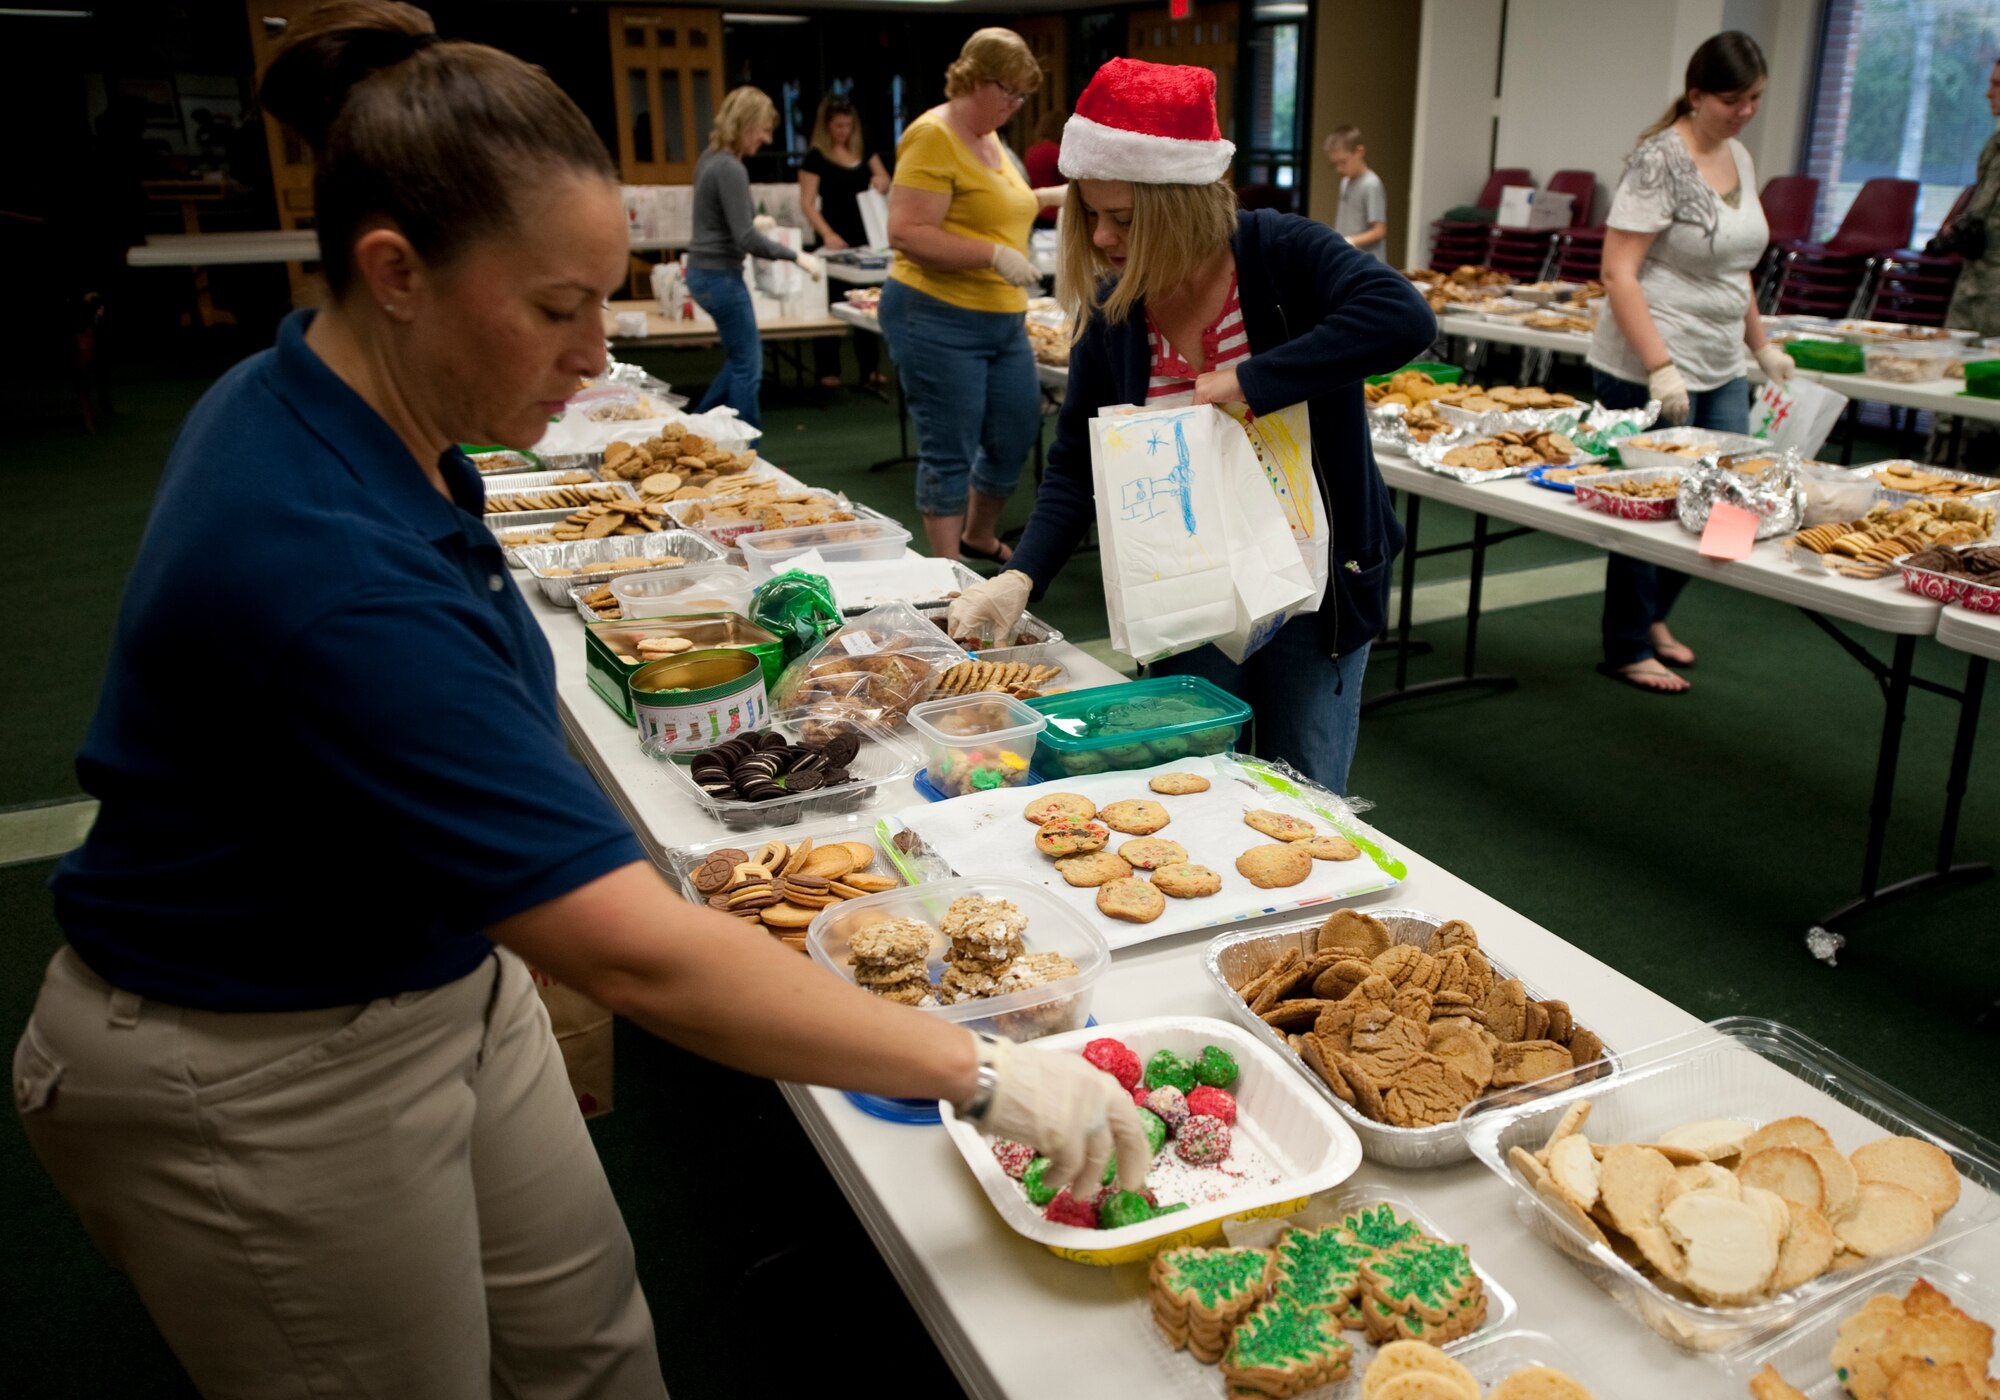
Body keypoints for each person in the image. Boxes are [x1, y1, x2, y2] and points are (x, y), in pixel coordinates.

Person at [12, 7, 1146, 1396]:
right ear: (397, 273)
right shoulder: (323, 566)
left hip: (427, 969)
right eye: (557, 308)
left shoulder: (359, 409)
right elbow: (638, 954)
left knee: (591, 1350)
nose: (598, 353)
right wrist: (972, 1069)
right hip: (251, 1049)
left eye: (605, 301)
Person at [948, 58, 1435, 795]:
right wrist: (1022, 574)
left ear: (1184, 206)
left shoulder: (1280, 255)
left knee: (1305, 788)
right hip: (1184, 587)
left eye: (1127, 219)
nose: (1105, 238)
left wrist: (1251, 379)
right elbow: (1079, 462)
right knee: (1190, 783)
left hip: (1314, 583)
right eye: (1091, 215)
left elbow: (1403, 317)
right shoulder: (1117, 310)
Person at [1586, 31, 1791, 696]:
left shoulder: (1740, 156)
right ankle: (1623, 644)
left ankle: (1654, 617)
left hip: (1721, 355)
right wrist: (1659, 368)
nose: (1745, 112)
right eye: (1733, 100)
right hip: (1649, 354)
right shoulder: (1660, 161)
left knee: (1728, 500)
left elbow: (1738, 267)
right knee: (1647, 504)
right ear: (1697, 94)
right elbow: (1618, 272)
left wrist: (1759, 344)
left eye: (1756, 98)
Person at [880, 27, 1066, 563]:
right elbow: (907, 232)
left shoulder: (991, 139)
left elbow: (994, 203)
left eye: (1022, 95)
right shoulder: (933, 135)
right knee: (950, 444)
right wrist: (992, 254)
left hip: (1002, 319)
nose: (1015, 104)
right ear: (976, 80)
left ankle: (978, 535)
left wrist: (1051, 197)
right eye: (1009, 91)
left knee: (1015, 430)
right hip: (937, 314)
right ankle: (948, 572)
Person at [687, 85, 823, 429]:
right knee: (749, 367)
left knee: (739, 361)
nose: (766, 138)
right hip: (721, 278)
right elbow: (745, 237)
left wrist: (753, 222)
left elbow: (721, 219)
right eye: (762, 128)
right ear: (745, 124)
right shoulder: (731, 168)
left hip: (702, 273)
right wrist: (795, 256)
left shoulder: (709, 158)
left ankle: (694, 429)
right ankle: (748, 448)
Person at [1931, 58, 2000, 473]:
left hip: (1993, 292)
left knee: (1983, 408)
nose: (1988, 92)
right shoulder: (1993, 145)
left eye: (1996, 84)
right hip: (1978, 283)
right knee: (1955, 392)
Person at [800, 93, 891, 389]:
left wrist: (880, 182)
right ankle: (828, 369)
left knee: (867, 302)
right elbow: (807, 202)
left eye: (848, 126)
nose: (843, 131)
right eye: (838, 126)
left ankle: (869, 368)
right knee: (831, 303)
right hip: (834, 238)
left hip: (865, 238)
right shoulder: (815, 157)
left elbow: (885, 179)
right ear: (827, 127)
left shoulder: (864, 151)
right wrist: (826, 233)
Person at [1324, 126, 1388, 262]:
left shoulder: (1371, 184)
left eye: (1343, 162)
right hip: (1348, 259)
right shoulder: (1345, 182)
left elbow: (1379, 231)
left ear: (1359, 151)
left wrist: (1349, 240)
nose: (1339, 169)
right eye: (1335, 164)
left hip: (1368, 263)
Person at [1024, 108, 1066, 227]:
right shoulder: (1056, 152)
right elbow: (1068, 178)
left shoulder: (1031, 151)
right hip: (1056, 210)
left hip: (1037, 209)